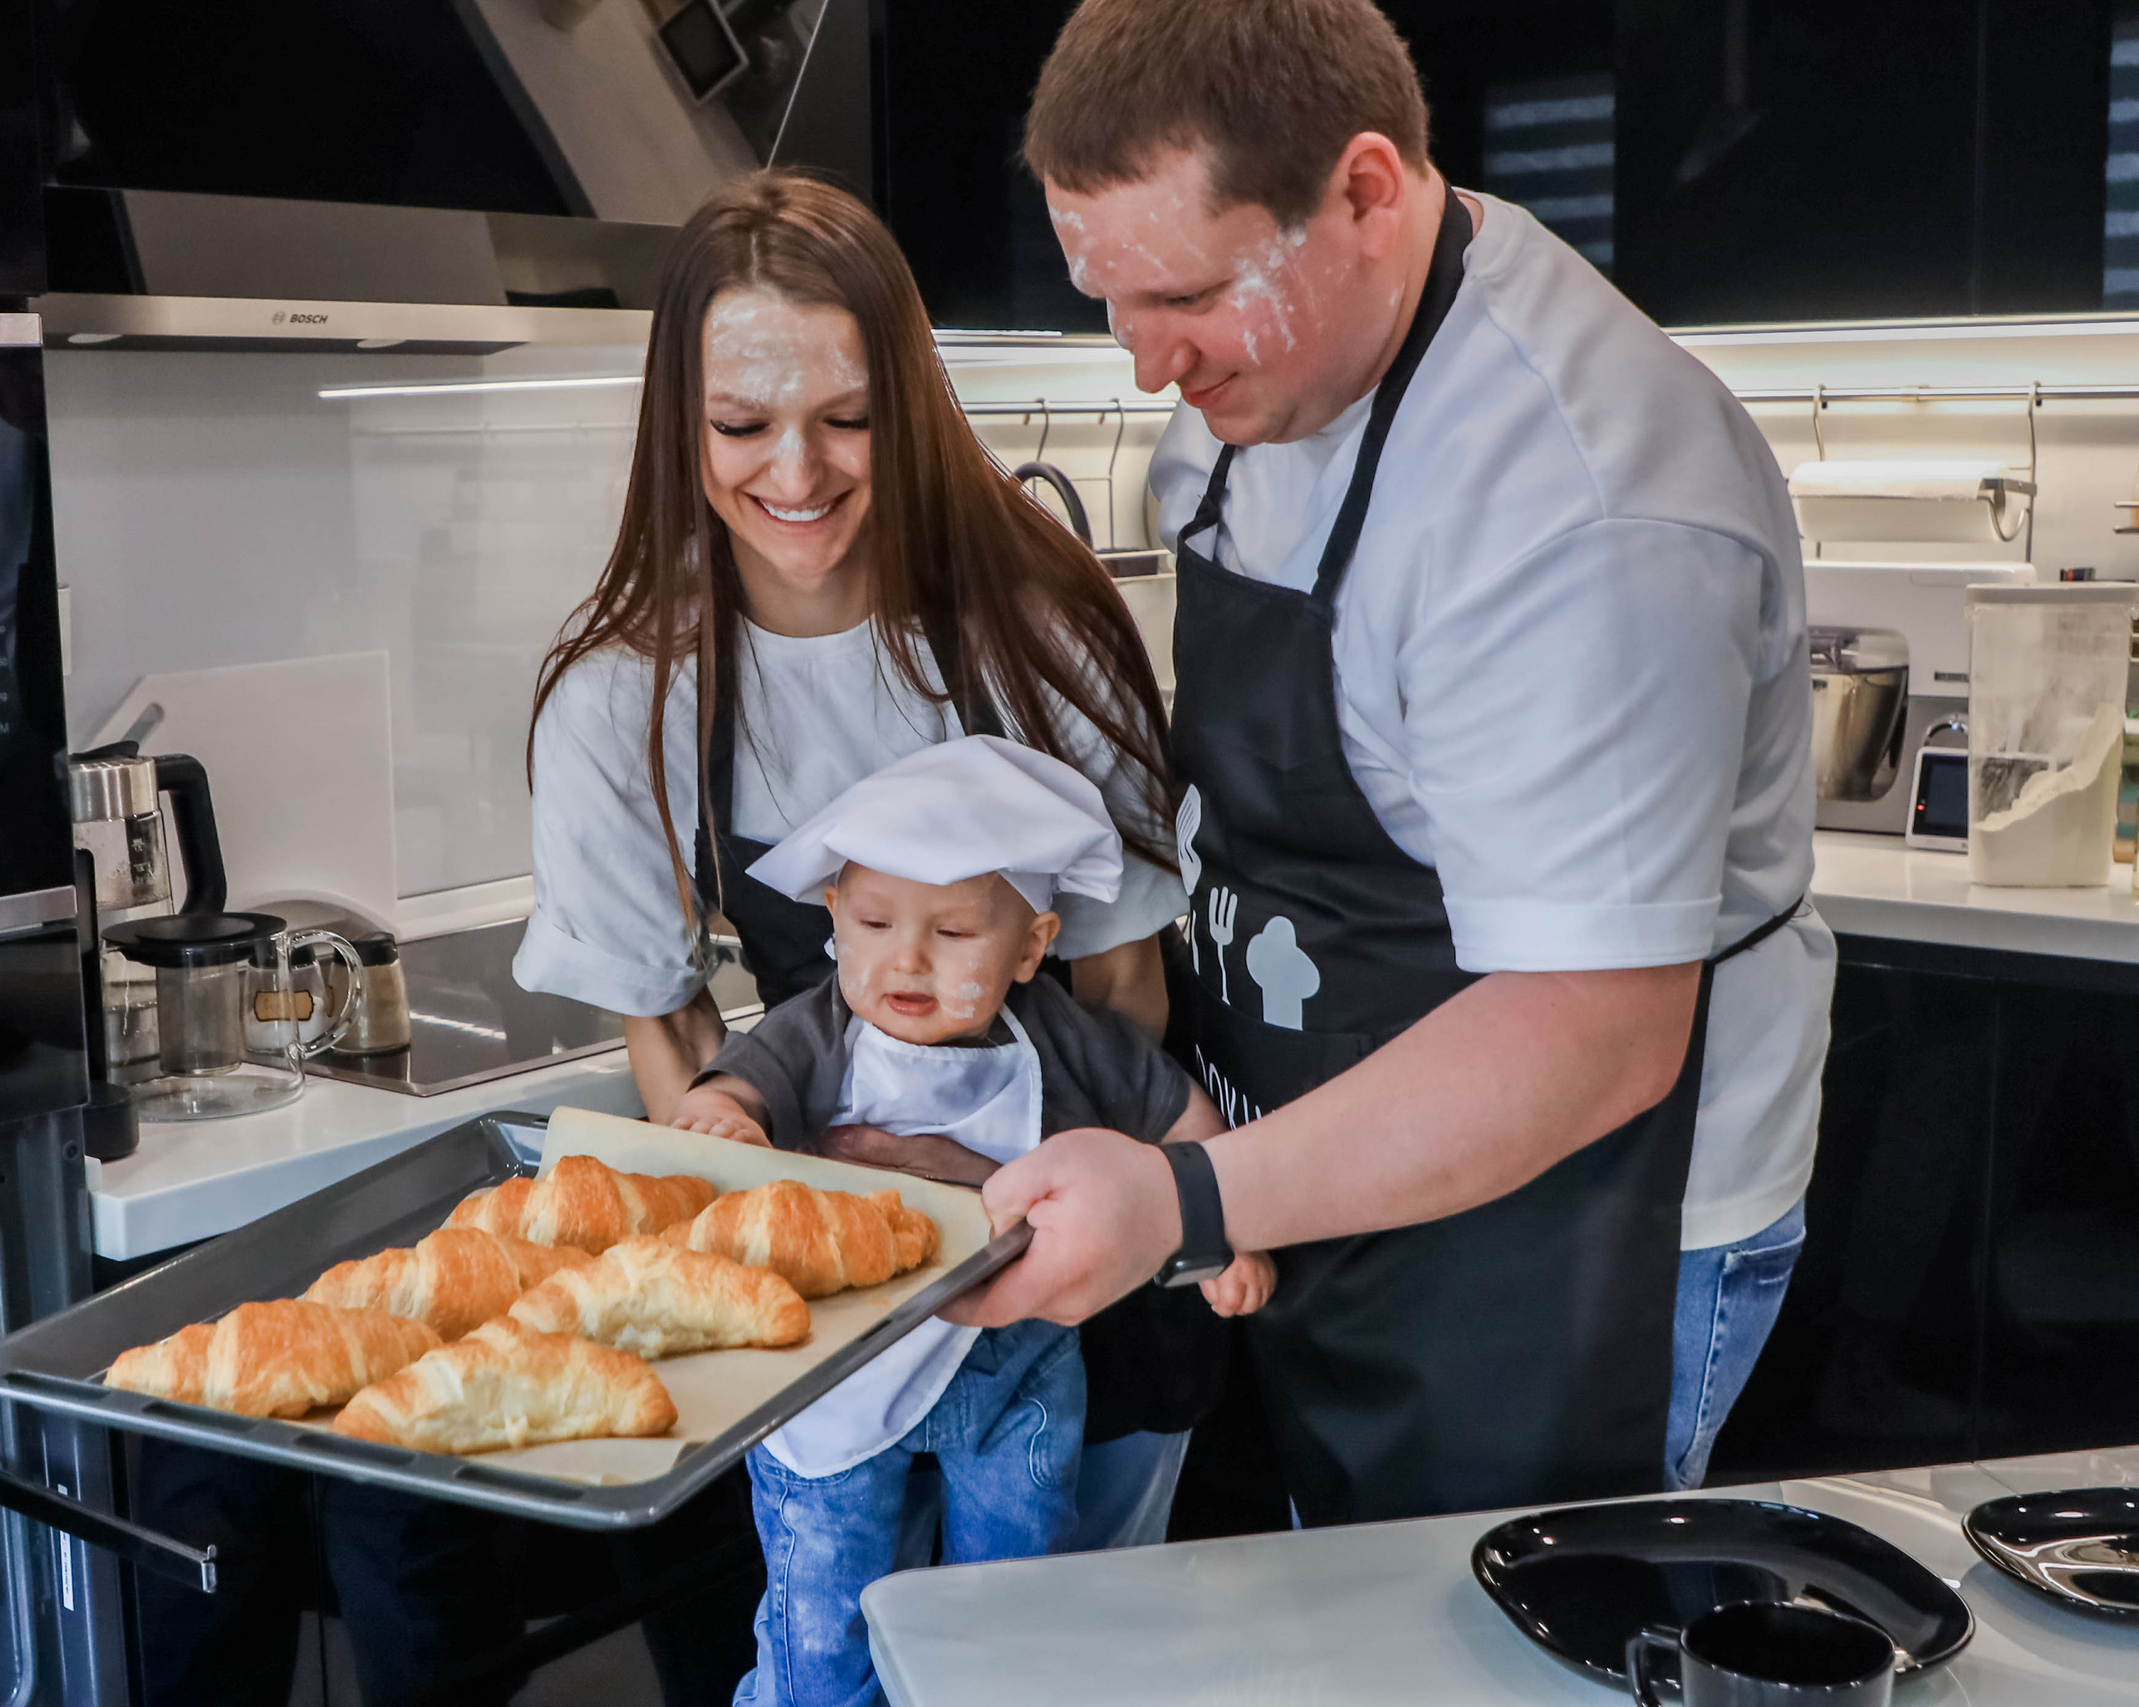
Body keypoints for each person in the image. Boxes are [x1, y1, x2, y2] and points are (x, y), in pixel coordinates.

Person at [950, 0, 1834, 1523]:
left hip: (1574, 1228)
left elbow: (1592, 1029)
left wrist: (1188, 1197)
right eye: (1110, 298)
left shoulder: (1582, 501)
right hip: (1327, 1167)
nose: (1149, 364)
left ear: (1363, 191)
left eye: (1183, 295)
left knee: (1511, 1656)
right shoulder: (1265, 372)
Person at [513, 171, 1204, 1543]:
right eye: (741, 424)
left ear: (912, 406)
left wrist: (1043, 1227)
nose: (797, 470)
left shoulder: (1037, 630)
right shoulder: (625, 700)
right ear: (680, 425)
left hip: (1075, 1268)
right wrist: (801, 1228)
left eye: (847, 419)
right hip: (823, 1318)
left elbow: (1125, 979)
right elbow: (668, 1025)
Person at [662, 736, 1269, 1707]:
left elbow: (1179, 1125)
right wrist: (722, 1115)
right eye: (873, 920)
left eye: (952, 935)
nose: (905, 957)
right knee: (820, 1621)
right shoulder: (818, 1030)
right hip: (837, 1374)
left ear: (1032, 945)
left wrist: (1217, 1232)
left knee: (1013, 1609)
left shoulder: (1068, 1041)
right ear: (832, 918)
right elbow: (741, 1085)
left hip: (1014, 1370)